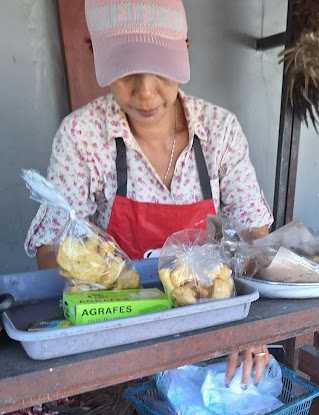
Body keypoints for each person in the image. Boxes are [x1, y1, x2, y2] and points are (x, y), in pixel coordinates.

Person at [25, 0, 272, 383]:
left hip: (209, 332)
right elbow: (51, 250)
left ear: (184, 51)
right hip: (115, 339)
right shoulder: (82, 135)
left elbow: (255, 237)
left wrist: (251, 328)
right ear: (96, 55)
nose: (145, 93)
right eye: (125, 72)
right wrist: (90, 278)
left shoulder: (220, 130)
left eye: (159, 68)